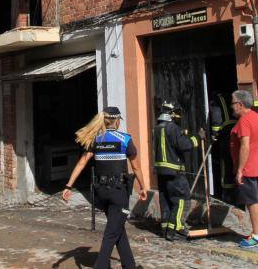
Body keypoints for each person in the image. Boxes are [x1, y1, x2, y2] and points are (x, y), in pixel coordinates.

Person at [62, 107, 148, 269]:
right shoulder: (125, 140)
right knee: (111, 233)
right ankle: (100, 265)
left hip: (101, 192)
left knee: (117, 227)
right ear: (117, 121)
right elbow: (136, 168)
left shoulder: (96, 140)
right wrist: (143, 187)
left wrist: (68, 186)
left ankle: (129, 265)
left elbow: (81, 163)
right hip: (118, 192)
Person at [152, 101, 201, 240]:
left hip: (161, 172)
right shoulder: (173, 128)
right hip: (175, 172)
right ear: (171, 115)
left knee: (166, 199)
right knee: (181, 199)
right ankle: (176, 229)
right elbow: (185, 145)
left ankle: (165, 228)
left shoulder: (156, 129)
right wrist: (197, 137)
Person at [229, 89, 258, 248]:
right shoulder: (257, 117)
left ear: (239, 104)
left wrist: (240, 169)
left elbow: (245, 146)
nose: (232, 107)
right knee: (255, 199)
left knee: (251, 202)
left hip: (248, 167)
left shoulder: (245, 120)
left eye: (233, 103)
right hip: (256, 165)